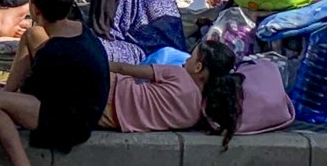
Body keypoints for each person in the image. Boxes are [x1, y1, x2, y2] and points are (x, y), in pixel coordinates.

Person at [0, 0, 109, 162]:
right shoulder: (82, 30)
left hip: (69, 124)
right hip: (81, 105)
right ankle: (6, 90)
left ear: (35, 9)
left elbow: (30, 93)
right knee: (32, 34)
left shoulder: (54, 53)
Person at [100, 40, 244, 147]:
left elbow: (123, 68)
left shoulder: (179, 74)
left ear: (198, 67)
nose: (186, 60)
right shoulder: (195, 116)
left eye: (190, 57)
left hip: (110, 90)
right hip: (112, 120)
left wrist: (96, 63)